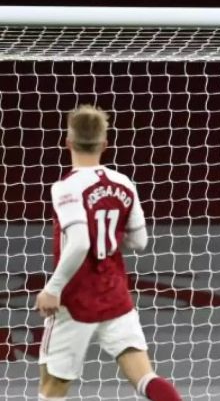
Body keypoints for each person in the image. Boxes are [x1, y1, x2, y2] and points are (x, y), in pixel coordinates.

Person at [34, 105, 181, 401]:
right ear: (104, 144)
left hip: (75, 302)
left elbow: (79, 243)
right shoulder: (123, 184)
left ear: (68, 142)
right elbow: (139, 242)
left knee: (52, 389)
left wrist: (52, 289)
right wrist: (110, 235)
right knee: (145, 377)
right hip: (116, 298)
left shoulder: (66, 187)